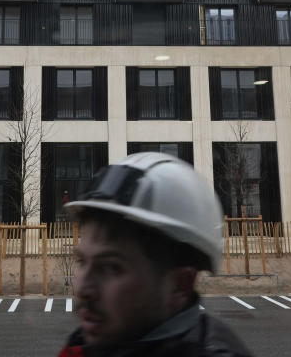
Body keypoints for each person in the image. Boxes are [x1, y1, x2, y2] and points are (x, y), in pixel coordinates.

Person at [58, 153, 253, 357]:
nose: (82, 289)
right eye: (82, 261)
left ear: (180, 285)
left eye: (111, 267)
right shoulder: (86, 347)